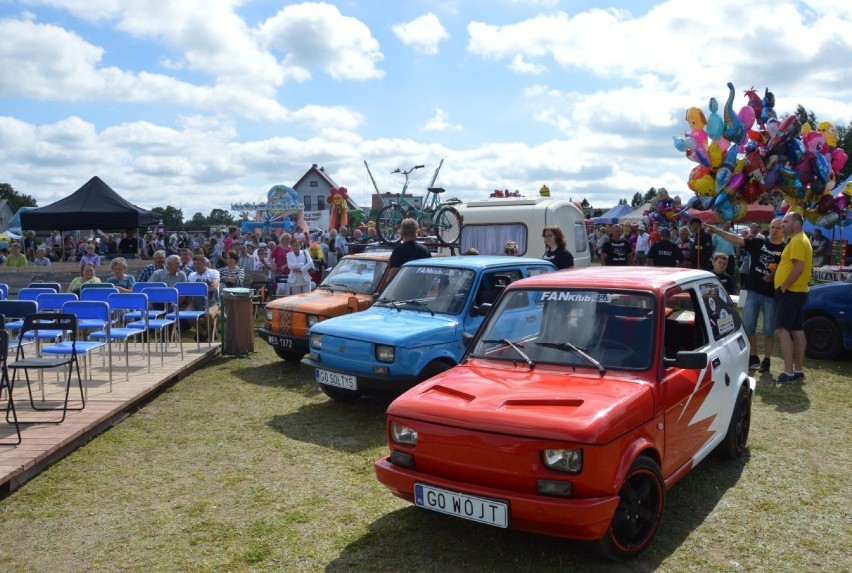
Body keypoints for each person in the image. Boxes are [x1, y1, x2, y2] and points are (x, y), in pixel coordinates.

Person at [708, 218, 785, 373]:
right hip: (753, 291)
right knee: (748, 325)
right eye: (772, 227)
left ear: (783, 230)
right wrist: (717, 231)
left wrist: (775, 275)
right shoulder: (758, 243)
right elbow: (735, 238)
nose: (774, 230)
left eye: (778, 228)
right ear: (768, 228)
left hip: (771, 294)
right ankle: (754, 356)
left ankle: (767, 359)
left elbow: (788, 269)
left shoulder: (785, 249)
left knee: (769, 329)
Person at [774, 212, 813, 384]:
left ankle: (789, 372)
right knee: (797, 331)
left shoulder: (797, 240)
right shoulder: (800, 239)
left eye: (785, 221)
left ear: (796, 223)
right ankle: (797, 369)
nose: (782, 224)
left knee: (782, 330)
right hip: (798, 292)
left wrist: (783, 287)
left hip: (791, 292)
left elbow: (798, 267)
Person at [187, 255, 220, 341]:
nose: (196, 265)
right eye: (194, 264)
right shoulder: (192, 275)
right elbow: (189, 291)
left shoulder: (214, 272)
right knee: (187, 314)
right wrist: (205, 287)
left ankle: (206, 332)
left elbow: (213, 287)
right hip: (196, 302)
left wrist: (196, 289)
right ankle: (204, 332)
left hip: (212, 302)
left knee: (208, 315)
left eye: (198, 263)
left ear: (205, 263)